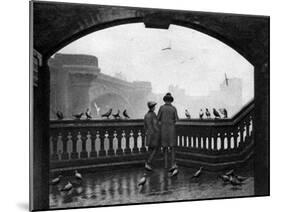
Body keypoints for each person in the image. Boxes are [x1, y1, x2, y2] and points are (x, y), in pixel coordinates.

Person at [157, 92, 179, 172]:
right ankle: (173, 164)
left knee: (165, 148)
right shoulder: (173, 108)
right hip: (172, 130)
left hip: (163, 130)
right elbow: (177, 119)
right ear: (171, 100)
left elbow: (158, 118)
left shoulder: (161, 108)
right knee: (172, 148)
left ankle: (166, 165)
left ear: (165, 100)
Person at [144, 101, 160, 171]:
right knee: (155, 148)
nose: (155, 108)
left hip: (148, 134)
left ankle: (148, 163)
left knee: (150, 149)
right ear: (152, 107)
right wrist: (159, 132)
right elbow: (155, 125)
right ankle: (149, 163)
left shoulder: (146, 115)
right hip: (154, 134)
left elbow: (145, 126)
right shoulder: (153, 115)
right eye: (154, 107)